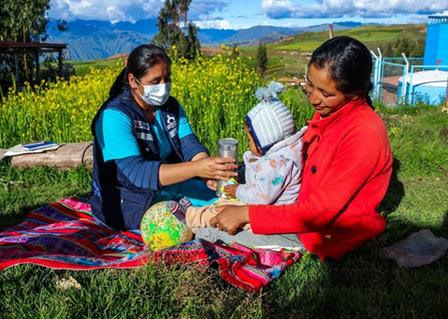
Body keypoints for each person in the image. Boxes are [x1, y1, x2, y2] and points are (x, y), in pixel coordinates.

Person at [198, 36, 393, 260]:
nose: (313, 98)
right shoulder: (331, 112)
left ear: (355, 93)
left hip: (318, 233)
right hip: (293, 209)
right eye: (309, 85)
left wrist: (246, 214)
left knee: (206, 235)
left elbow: (317, 214)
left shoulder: (364, 136)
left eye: (326, 93)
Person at [90, 44, 237, 230]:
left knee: (230, 199)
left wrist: (208, 171)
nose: (163, 87)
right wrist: (197, 169)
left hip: (170, 187)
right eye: (155, 81)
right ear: (133, 81)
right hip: (128, 202)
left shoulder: (170, 107)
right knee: (186, 223)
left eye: (167, 79)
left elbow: (189, 145)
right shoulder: (114, 116)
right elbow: (138, 174)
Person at [185, 82, 307, 234]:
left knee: (219, 210)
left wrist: (238, 190)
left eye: (250, 140)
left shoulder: (277, 164)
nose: (248, 144)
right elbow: (259, 176)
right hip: (261, 207)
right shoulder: (279, 154)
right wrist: (240, 173)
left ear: (265, 140)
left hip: (265, 216)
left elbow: (261, 197)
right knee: (225, 203)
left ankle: (189, 217)